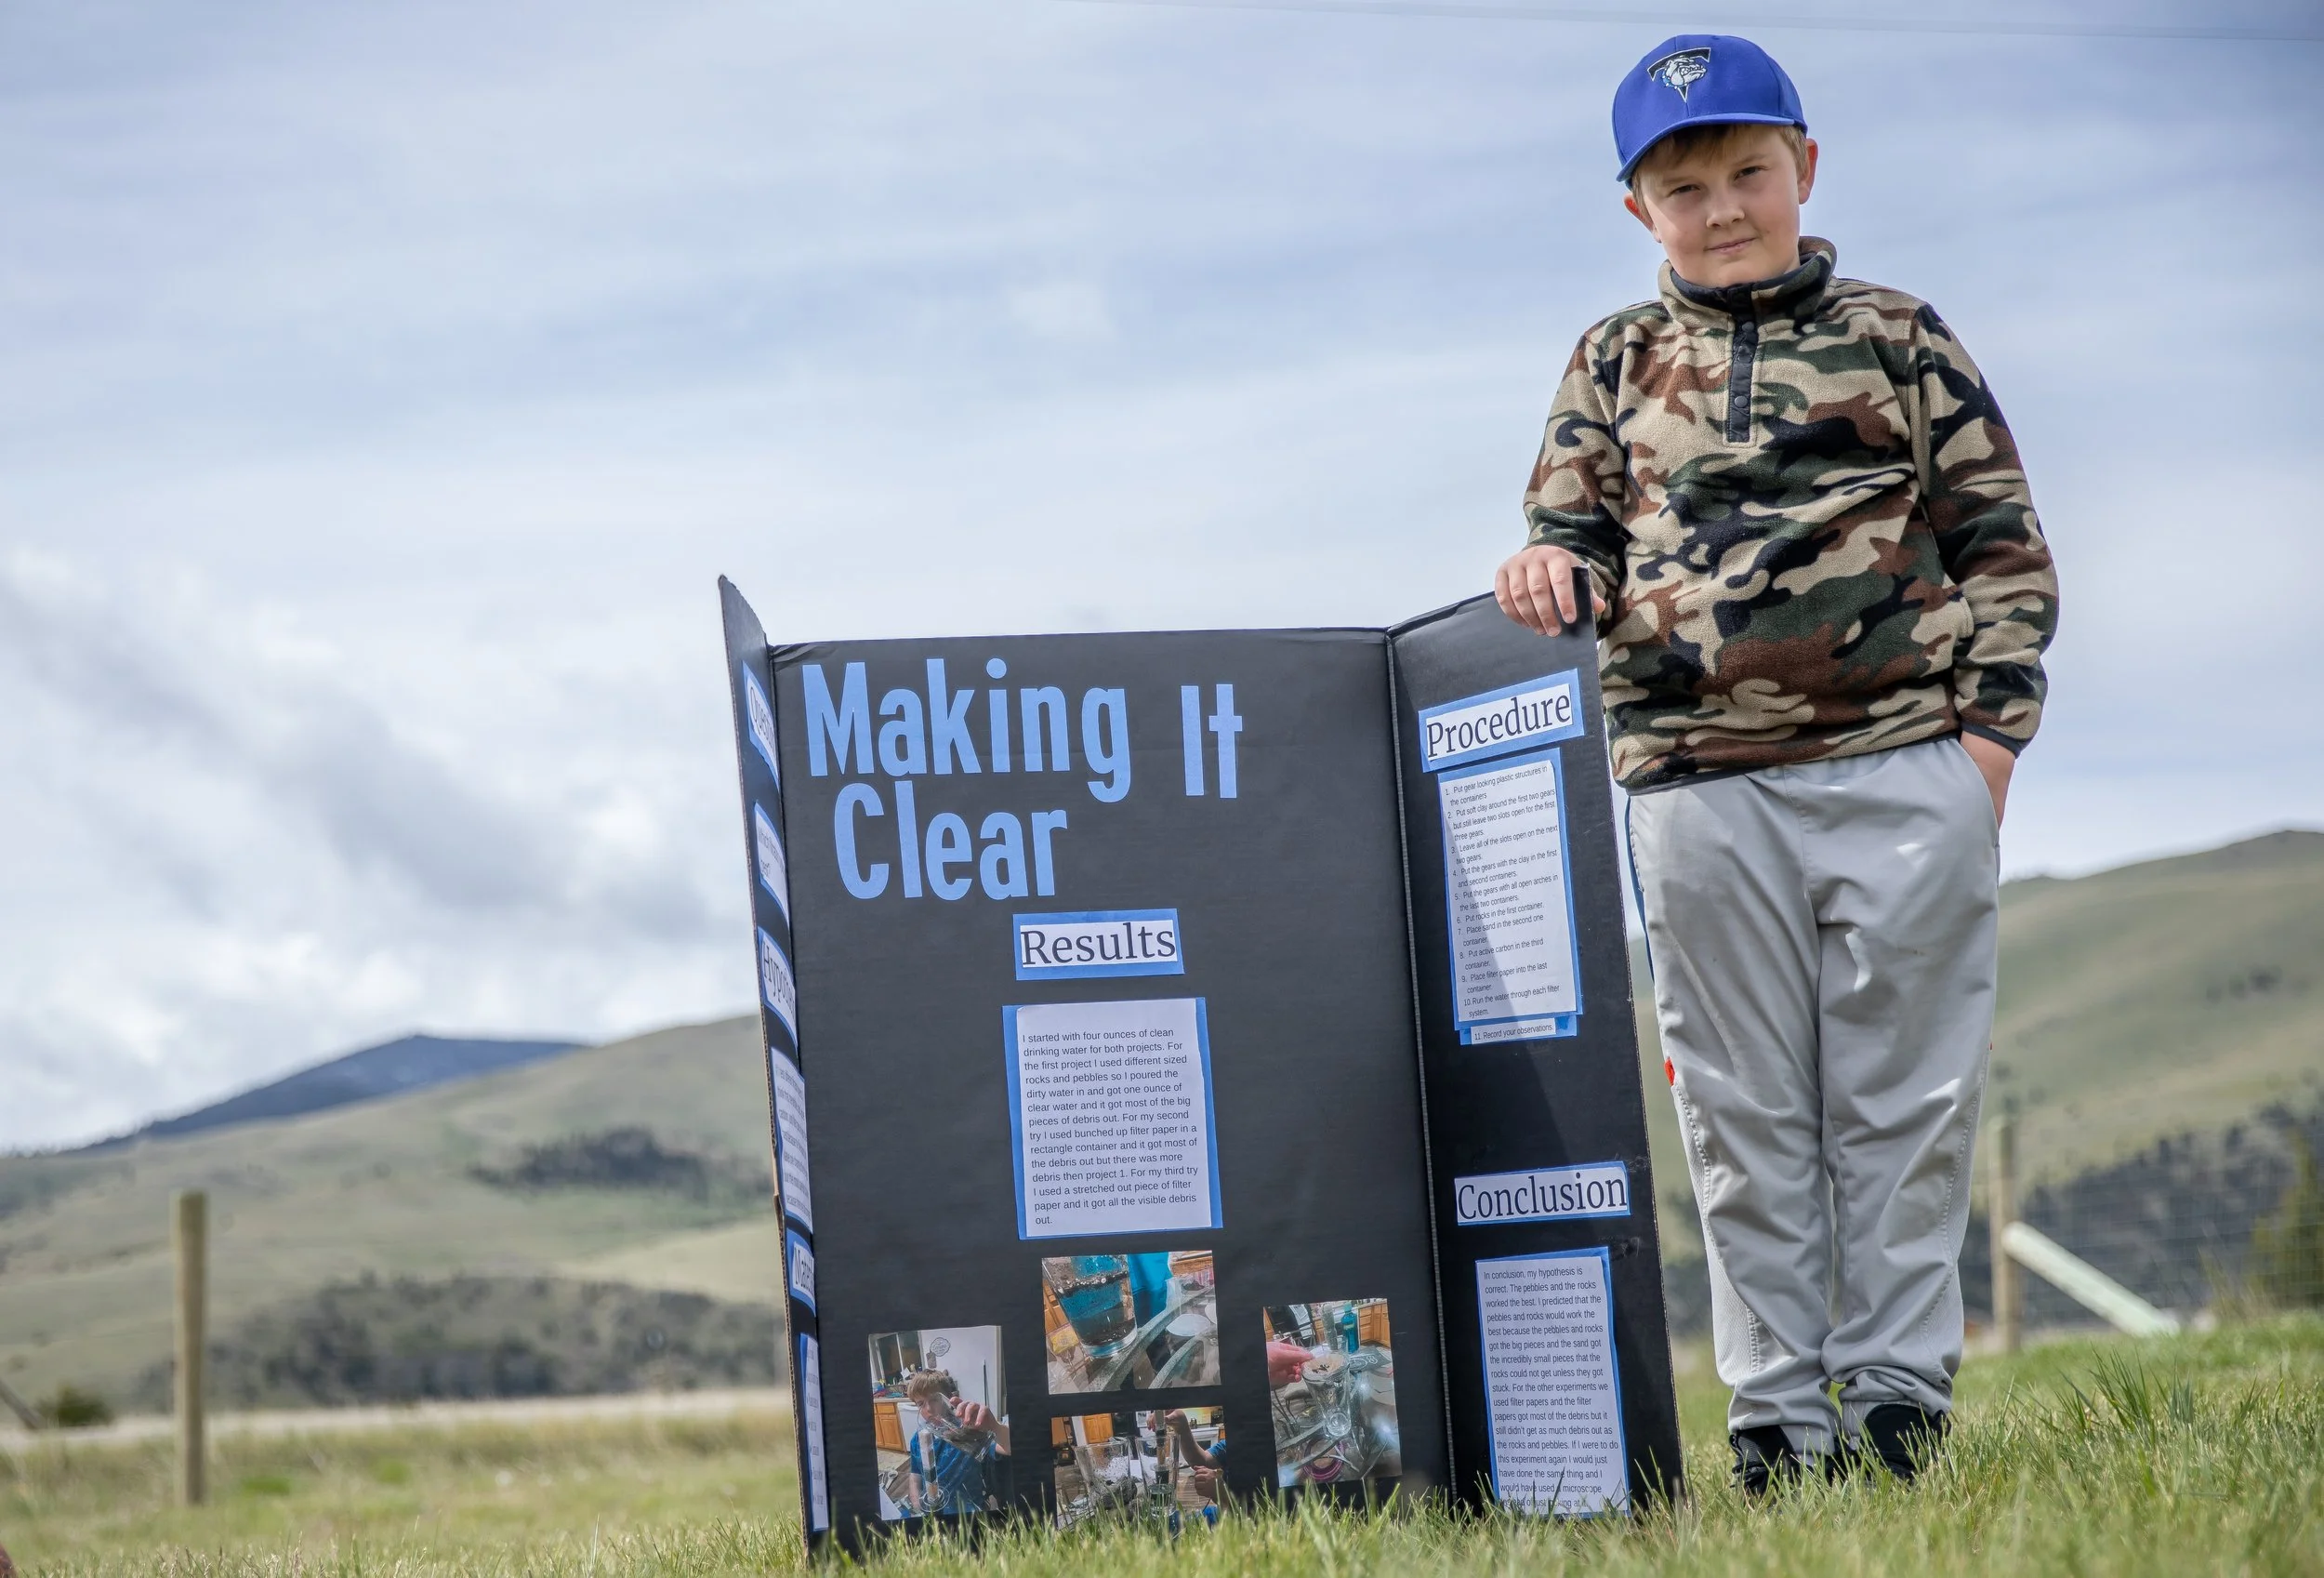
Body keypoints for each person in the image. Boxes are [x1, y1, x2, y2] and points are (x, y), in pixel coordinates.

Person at [1496, 34, 2057, 1494]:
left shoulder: (1899, 332)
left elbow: (2001, 541)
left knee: (1905, 1097)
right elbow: (1566, 536)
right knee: (1741, 1110)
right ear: (1639, 209)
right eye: (1686, 186)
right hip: (1692, 781)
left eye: (1750, 170)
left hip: (1908, 766)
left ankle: (1893, 1399)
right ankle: (1777, 1423)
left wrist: (1985, 747)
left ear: (1806, 166)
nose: (1725, 205)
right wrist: (1546, 566)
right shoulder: (1610, 360)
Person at [901, 1371, 1010, 1516]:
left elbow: (1010, 1447)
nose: (928, 1409)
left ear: (950, 1399)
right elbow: (915, 1477)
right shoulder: (917, 1439)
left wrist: (995, 1427)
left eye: (934, 1399)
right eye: (920, 1404)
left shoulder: (970, 1429)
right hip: (930, 1511)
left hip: (966, 1511)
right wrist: (916, 1508)